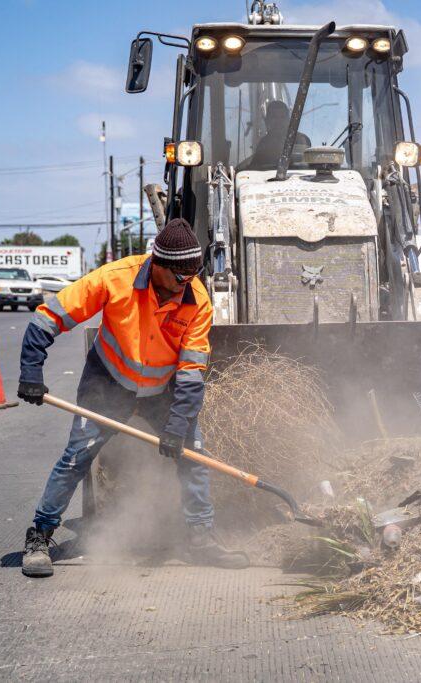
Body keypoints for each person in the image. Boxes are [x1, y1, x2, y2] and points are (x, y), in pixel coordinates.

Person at [16, 218, 249, 577]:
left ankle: (200, 538)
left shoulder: (197, 300)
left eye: (193, 276)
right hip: (108, 382)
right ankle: (40, 537)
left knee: (193, 456)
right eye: (180, 277)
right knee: (77, 456)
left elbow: (191, 373)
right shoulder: (115, 278)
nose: (186, 285)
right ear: (158, 264)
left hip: (163, 391)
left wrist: (177, 425)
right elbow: (49, 317)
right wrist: (31, 370)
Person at [238, 100, 311, 171]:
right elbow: (254, 168)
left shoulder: (301, 140)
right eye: (274, 117)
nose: (278, 121)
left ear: (288, 120)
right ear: (267, 120)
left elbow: (308, 168)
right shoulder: (264, 143)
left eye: (282, 117)